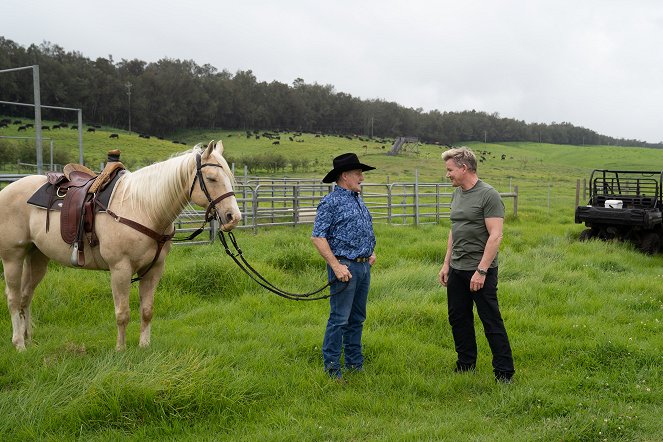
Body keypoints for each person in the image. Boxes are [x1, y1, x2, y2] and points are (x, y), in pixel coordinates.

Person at [438, 147, 515, 383]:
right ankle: (465, 364)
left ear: (464, 168)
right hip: (457, 268)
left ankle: (504, 372)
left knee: (490, 319)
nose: (448, 174)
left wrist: (481, 270)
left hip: (481, 270)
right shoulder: (458, 193)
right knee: (458, 318)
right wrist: (446, 264)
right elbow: (455, 229)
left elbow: (496, 236)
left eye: (450, 170)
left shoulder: (488, 195)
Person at [311, 153, 377, 379]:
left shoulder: (357, 199)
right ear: (345, 176)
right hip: (344, 268)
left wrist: (370, 251)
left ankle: (354, 365)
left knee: (357, 318)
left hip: (362, 266)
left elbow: (358, 229)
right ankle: (332, 369)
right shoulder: (331, 202)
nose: (362, 178)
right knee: (340, 318)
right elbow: (318, 237)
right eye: (358, 174)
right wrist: (336, 266)